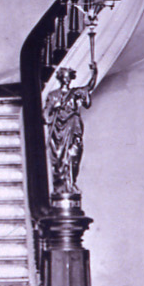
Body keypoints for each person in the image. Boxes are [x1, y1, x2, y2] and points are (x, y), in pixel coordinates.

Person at [43, 63, 97, 199]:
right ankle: (62, 186)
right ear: (60, 78)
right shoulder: (53, 95)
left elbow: (89, 87)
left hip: (73, 127)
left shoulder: (75, 93)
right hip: (59, 132)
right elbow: (45, 115)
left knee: (75, 154)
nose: (66, 80)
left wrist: (94, 73)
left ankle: (72, 183)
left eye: (68, 77)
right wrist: (55, 107)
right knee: (60, 159)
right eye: (64, 77)